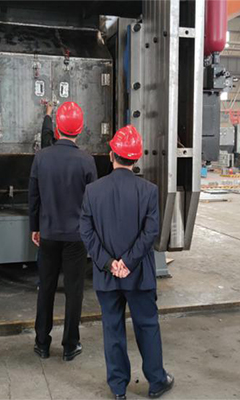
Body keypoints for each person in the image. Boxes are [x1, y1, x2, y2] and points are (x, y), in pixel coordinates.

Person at [80, 125, 174, 400]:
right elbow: (150, 233)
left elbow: (86, 231)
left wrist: (109, 263)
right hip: (139, 275)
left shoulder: (93, 191)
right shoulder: (148, 191)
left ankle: (118, 388)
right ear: (137, 158)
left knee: (113, 330)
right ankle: (156, 381)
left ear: (111, 155)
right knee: (147, 327)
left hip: (107, 276)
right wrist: (128, 263)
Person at [28, 101, 97, 361]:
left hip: (48, 233)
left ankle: (42, 344)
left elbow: (34, 197)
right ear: (80, 129)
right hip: (76, 237)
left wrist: (35, 227)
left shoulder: (41, 157)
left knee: (45, 288)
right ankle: (70, 345)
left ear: (57, 128)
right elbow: (91, 203)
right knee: (74, 290)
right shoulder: (87, 161)